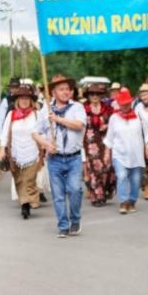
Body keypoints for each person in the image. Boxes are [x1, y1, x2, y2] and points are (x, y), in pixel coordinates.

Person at [40, 74, 87, 237]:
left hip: (73, 157)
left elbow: (79, 125)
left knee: (75, 190)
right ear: (53, 92)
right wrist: (46, 144)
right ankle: (63, 225)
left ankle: (75, 220)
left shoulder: (77, 108)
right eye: (61, 89)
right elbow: (35, 133)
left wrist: (58, 119)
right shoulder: (45, 110)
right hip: (55, 159)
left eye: (68, 89)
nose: (66, 92)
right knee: (58, 194)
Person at [0, 80, 46, 219]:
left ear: (31, 101)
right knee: (19, 180)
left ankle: (27, 203)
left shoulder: (37, 115)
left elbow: (43, 132)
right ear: (17, 100)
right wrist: (2, 150)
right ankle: (25, 202)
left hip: (33, 153)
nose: (24, 101)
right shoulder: (11, 115)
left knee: (30, 179)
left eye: (27, 98)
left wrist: (45, 145)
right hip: (16, 154)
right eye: (22, 98)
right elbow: (5, 133)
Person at [105, 87, 148, 214]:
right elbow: (109, 137)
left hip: (136, 154)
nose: (125, 106)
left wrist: (147, 147)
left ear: (131, 103)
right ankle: (123, 201)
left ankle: (132, 200)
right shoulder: (114, 118)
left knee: (136, 180)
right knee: (122, 176)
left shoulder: (139, 116)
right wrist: (107, 152)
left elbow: (146, 134)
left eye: (127, 103)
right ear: (118, 103)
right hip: (119, 154)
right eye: (122, 103)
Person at [82, 83, 116, 206]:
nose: (95, 96)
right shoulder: (83, 109)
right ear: (88, 96)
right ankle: (96, 196)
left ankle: (105, 191)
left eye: (97, 94)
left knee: (107, 167)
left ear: (101, 95)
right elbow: (80, 125)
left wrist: (107, 125)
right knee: (93, 169)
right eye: (92, 94)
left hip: (105, 140)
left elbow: (115, 122)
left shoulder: (108, 108)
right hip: (90, 142)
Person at [0, 76, 21, 140]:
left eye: (17, 87)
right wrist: (1, 138)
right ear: (10, 89)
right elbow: (1, 121)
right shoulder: (6, 101)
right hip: (9, 132)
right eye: (13, 87)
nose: (15, 90)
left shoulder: (23, 100)